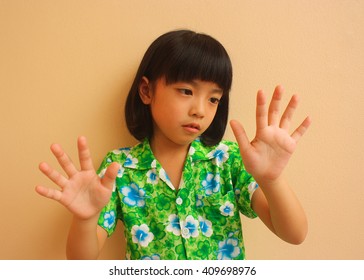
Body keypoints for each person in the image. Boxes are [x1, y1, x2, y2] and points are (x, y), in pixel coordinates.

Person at [35, 29, 311, 260]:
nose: (200, 110)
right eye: (186, 91)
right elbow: (81, 260)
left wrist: (271, 180)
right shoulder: (119, 169)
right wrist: (84, 219)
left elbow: (295, 234)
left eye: (213, 99)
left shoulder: (229, 159)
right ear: (147, 91)